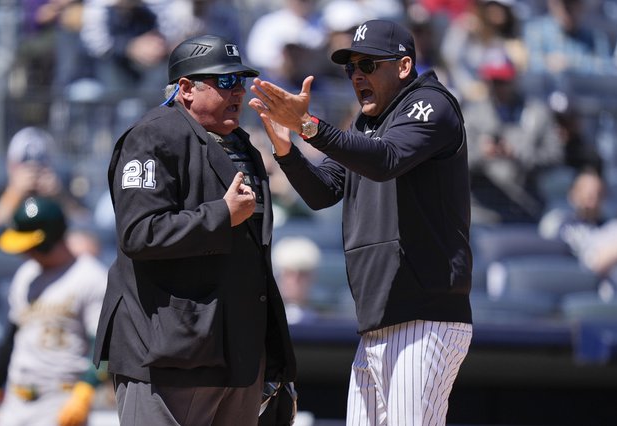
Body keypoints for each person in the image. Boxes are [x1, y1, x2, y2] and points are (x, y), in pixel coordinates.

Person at [249, 19, 473, 425]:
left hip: (425, 317)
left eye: (368, 65)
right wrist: (286, 150)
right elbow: (323, 192)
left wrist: (308, 125)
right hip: (377, 318)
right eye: (350, 67)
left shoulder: (432, 104)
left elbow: (386, 160)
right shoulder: (366, 123)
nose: (356, 75)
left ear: (403, 67)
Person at [92, 34, 296, 426]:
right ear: (185, 89)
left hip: (234, 350)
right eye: (224, 82)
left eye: (240, 81)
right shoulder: (152, 135)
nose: (236, 91)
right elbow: (139, 232)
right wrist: (220, 215)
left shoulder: (240, 143)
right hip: (168, 350)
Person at [0, 196, 108, 426]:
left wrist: (85, 391)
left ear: (48, 239)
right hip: (14, 402)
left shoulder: (90, 277)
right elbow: (10, 338)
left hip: (60, 401)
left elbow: (103, 346)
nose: (25, 252)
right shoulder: (26, 275)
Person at [463, 52, 564, 223]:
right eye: (494, 81)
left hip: (526, 201)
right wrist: (482, 154)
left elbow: (555, 155)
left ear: (514, 80)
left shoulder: (537, 112)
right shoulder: (472, 115)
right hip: (483, 206)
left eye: (503, 81)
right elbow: (456, 161)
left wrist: (517, 154)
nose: (498, 87)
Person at [272, 236, 321, 324]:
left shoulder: (327, 320)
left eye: (303, 273)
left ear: (313, 277)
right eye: (289, 273)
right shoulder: (264, 318)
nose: (295, 280)